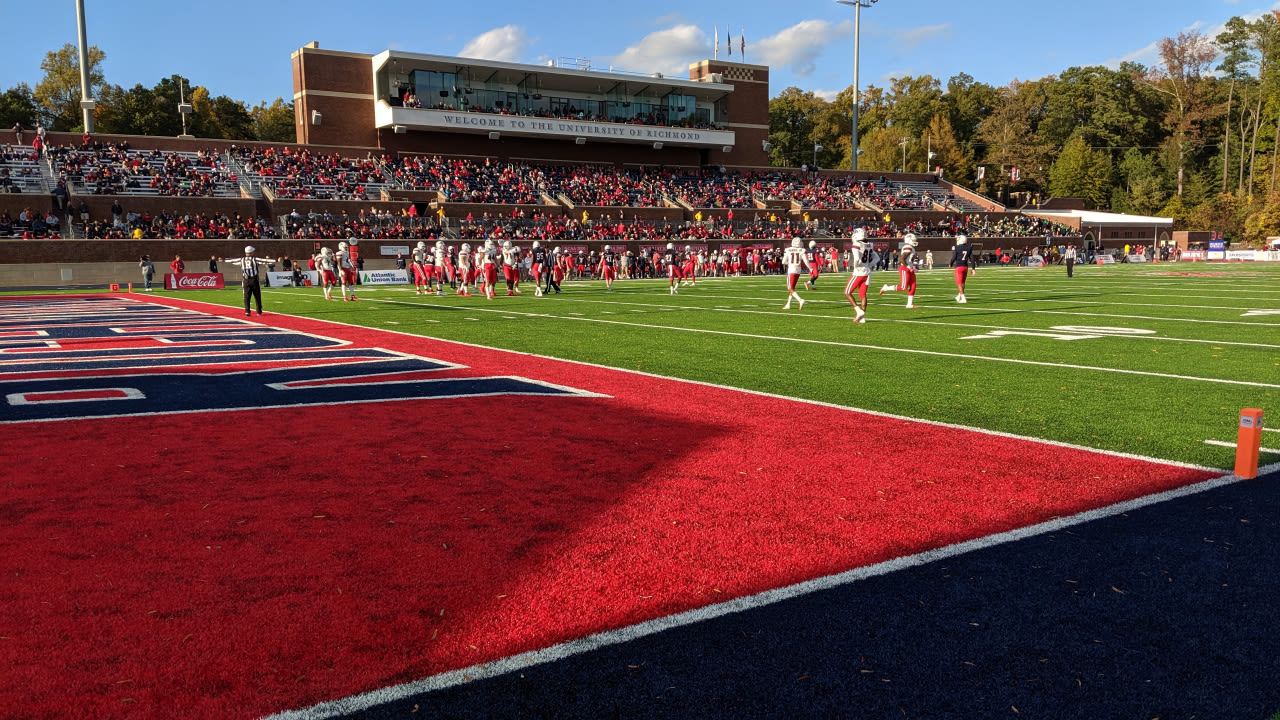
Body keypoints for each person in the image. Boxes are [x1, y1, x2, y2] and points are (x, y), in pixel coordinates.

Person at [223, 245, 272, 316]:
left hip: (246, 280)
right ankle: (258, 311)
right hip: (254, 279)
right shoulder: (255, 259)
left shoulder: (242, 259)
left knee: (246, 296)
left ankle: (247, 311)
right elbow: (264, 261)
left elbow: (233, 261)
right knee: (257, 296)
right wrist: (275, 260)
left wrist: (224, 260)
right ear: (251, 252)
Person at [844, 230, 877, 323]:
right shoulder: (870, 244)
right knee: (863, 295)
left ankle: (858, 311)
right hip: (867, 273)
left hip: (859, 273)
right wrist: (869, 265)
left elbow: (857, 259)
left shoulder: (856, 244)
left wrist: (855, 267)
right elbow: (877, 258)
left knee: (847, 292)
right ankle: (862, 318)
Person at [880, 233, 918, 308]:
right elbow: (902, 259)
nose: (915, 241)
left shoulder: (910, 247)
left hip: (910, 268)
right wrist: (908, 267)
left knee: (913, 286)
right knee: (903, 287)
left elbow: (909, 259)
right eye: (913, 239)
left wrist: (913, 267)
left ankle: (909, 304)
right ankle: (886, 288)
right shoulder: (908, 247)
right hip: (905, 268)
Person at [781, 237, 812, 310]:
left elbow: (783, 262)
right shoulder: (802, 250)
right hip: (798, 270)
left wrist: (788, 263)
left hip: (791, 270)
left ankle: (800, 300)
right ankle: (788, 304)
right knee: (793, 288)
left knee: (790, 288)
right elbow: (806, 261)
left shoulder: (788, 250)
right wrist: (810, 268)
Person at [949, 234, 976, 303]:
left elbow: (954, 257)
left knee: (959, 283)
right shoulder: (969, 247)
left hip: (959, 267)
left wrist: (950, 264)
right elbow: (972, 259)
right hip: (965, 267)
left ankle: (963, 297)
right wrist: (973, 269)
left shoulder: (957, 247)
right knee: (963, 283)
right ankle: (959, 296)